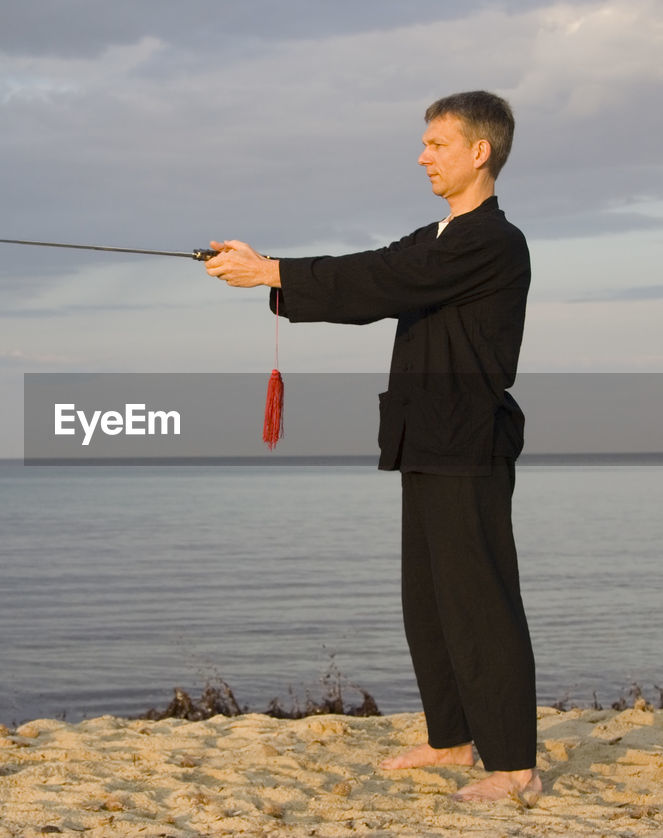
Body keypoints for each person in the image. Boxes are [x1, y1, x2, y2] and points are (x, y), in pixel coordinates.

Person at [204, 90, 540, 803]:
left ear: (479, 153)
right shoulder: (437, 237)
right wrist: (270, 271)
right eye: (424, 144)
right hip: (421, 438)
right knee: (427, 601)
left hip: (469, 443)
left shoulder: (493, 241)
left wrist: (274, 272)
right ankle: (451, 742)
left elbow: (385, 282)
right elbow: (372, 271)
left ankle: (514, 768)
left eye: (438, 144)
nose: (422, 156)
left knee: (480, 602)